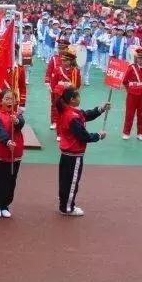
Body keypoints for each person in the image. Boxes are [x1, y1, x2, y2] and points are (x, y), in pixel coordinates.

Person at [56, 87, 110, 217]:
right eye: (78, 96)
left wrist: (100, 109)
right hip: (74, 154)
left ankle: (64, 203)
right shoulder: (72, 116)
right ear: (72, 100)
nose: (80, 98)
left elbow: (85, 115)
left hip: (67, 154)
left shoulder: (70, 112)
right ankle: (68, 208)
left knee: (65, 181)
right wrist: (98, 135)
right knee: (72, 181)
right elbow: (83, 136)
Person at [0, 89, 25, 218]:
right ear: (1, 101)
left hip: (15, 154)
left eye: (12, 99)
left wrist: (17, 122)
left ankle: (5, 205)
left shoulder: (17, 116)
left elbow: (21, 124)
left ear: (16, 101)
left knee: (11, 181)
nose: (10, 101)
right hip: (0, 153)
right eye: (7, 99)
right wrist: (7, 141)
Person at [122, 48, 142, 141]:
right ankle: (126, 132)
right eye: (139, 58)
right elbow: (125, 81)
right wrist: (130, 89)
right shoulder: (131, 68)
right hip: (132, 95)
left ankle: (141, 133)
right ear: (136, 58)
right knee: (129, 114)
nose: (141, 60)